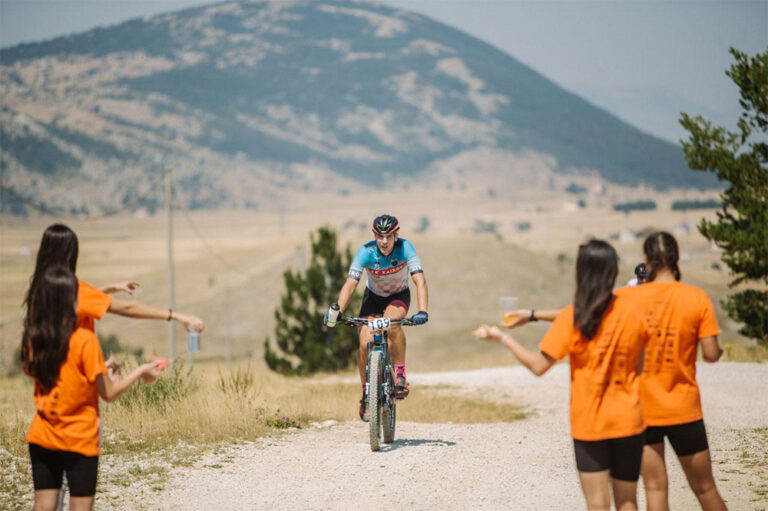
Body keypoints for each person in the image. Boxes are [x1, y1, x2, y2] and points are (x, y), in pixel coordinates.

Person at [505, 232, 727, 511]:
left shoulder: (629, 298)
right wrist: (718, 352)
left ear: (647, 260)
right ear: (677, 257)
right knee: (705, 489)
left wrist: (534, 314)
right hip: (684, 408)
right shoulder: (697, 298)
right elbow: (710, 353)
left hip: (644, 411)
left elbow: (581, 312)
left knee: (655, 489)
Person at [474, 240, 649, 511]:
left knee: (597, 505)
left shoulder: (572, 318)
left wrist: (504, 338)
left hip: (589, 423)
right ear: (612, 271)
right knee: (628, 502)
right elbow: (640, 367)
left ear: (582, 272)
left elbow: (538, 366)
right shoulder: (633, 311)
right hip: (629, 418)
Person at [22, 266, 164, 511]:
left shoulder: (35, 338)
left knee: (43, 506)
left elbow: (58, 377)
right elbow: (109, 393)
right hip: (79, 437)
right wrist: (141, 371)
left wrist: (97, 372)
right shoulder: (85, 339)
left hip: (42, 434)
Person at [324, 214, 428, 421]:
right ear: (374, 235)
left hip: (398, 297)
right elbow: (351, 283)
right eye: (380, 236)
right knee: (364, 345)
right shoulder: (365, 252)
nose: (384, 241)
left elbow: (420, 281)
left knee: (391, 326)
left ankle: (399, 373)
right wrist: (338, 310)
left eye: (389, 236)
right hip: (372, 299)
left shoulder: (406, 248)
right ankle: (366, 393)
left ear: (396, 235)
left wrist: (423, 310)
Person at [26, 224, 206, 336]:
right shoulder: (74, 291)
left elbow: (81, 300)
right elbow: (128, 308)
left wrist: (113, 287)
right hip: (74, 385)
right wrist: (177, 316)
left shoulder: (41, 289)